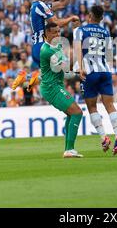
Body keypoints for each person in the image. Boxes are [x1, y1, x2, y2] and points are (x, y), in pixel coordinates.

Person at [12, 0, 79, 91]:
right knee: (70, 63)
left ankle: (27, 77)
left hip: (38, 48)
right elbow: (56, 23)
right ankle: (31, 77)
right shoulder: (40, 5)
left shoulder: (40, 6)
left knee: (53, 76)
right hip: (44, 47)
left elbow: (63, 3)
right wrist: (71, 18)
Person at [73, 5, 117, 155]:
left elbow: (77, 50)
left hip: (90, 72)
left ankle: (104, 137)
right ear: (101, 18)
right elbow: (109, 55)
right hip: (105, 71)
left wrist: (81, 67)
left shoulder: (80, 31)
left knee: (92, 107)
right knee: (110, 105)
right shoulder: (106, 32)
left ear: (89, 15)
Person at [39, 22, 84, 158]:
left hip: (57, 85)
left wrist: (76, 70)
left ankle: (69, 149)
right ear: (47, 34)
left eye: (59, 32)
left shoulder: (57, 46)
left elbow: (66, 69)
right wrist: (78, 59)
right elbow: (65, 70)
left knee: (72, 113)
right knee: (77, 112)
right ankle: (69, 149)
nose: (58, 35)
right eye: (54, 32)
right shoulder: (47, 51)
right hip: (51, 88)